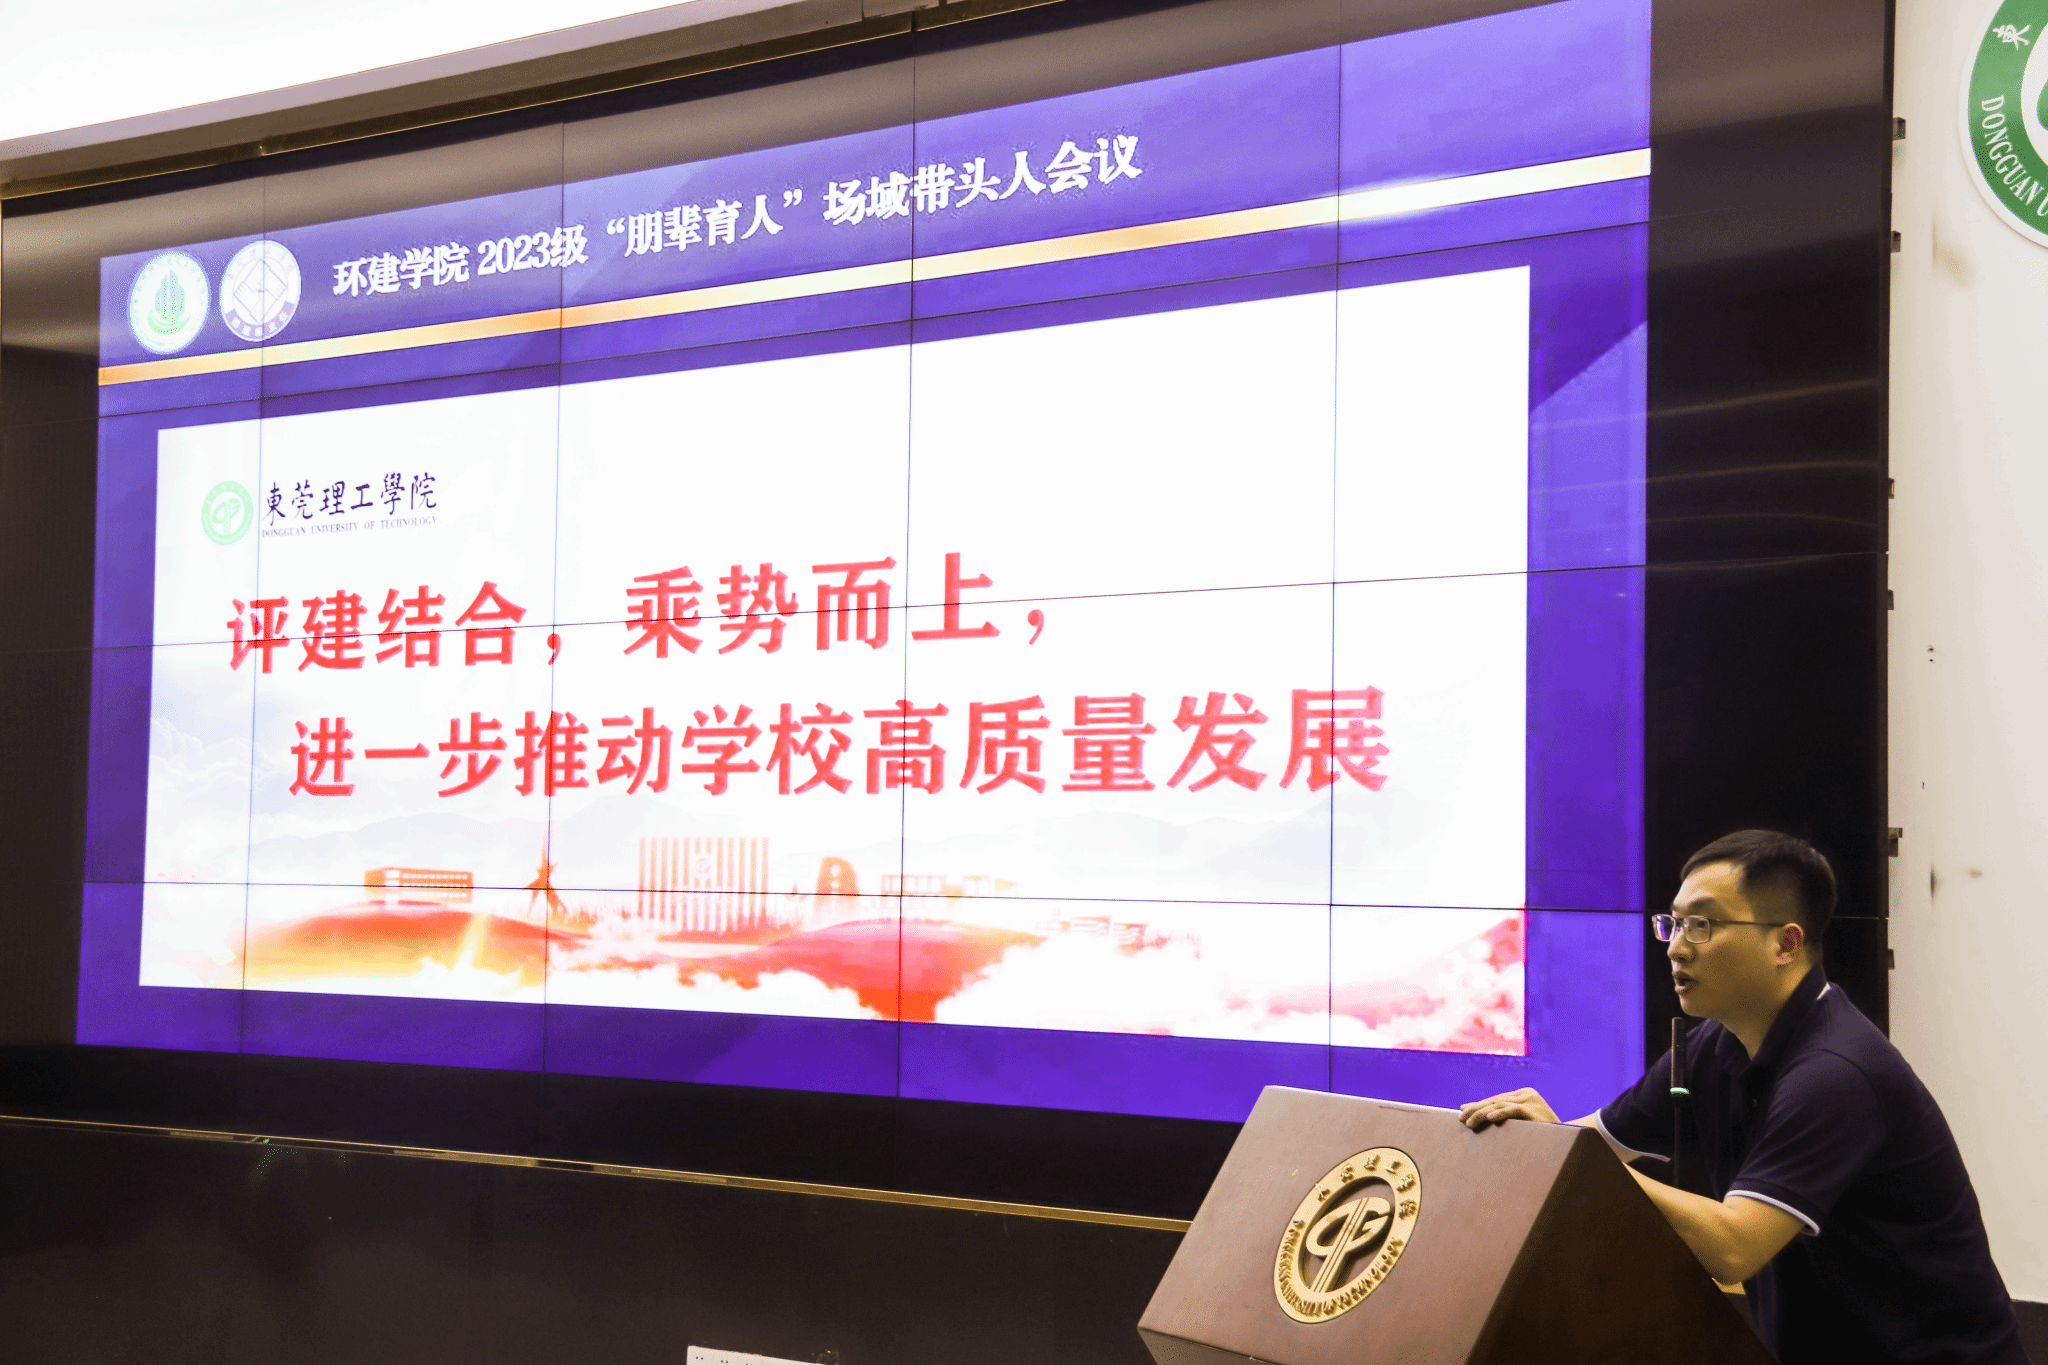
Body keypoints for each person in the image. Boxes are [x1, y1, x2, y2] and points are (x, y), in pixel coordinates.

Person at [1459, 830, 2025, 1364]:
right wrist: (1543, 1136)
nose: (1676, 949)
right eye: (1674, 924)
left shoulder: (1837, 1073)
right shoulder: (1712, 1046)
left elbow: (1735, 1247)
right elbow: (1598, 1144)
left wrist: (1571, 1156)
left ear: (1786, 943)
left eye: (1702, 925)